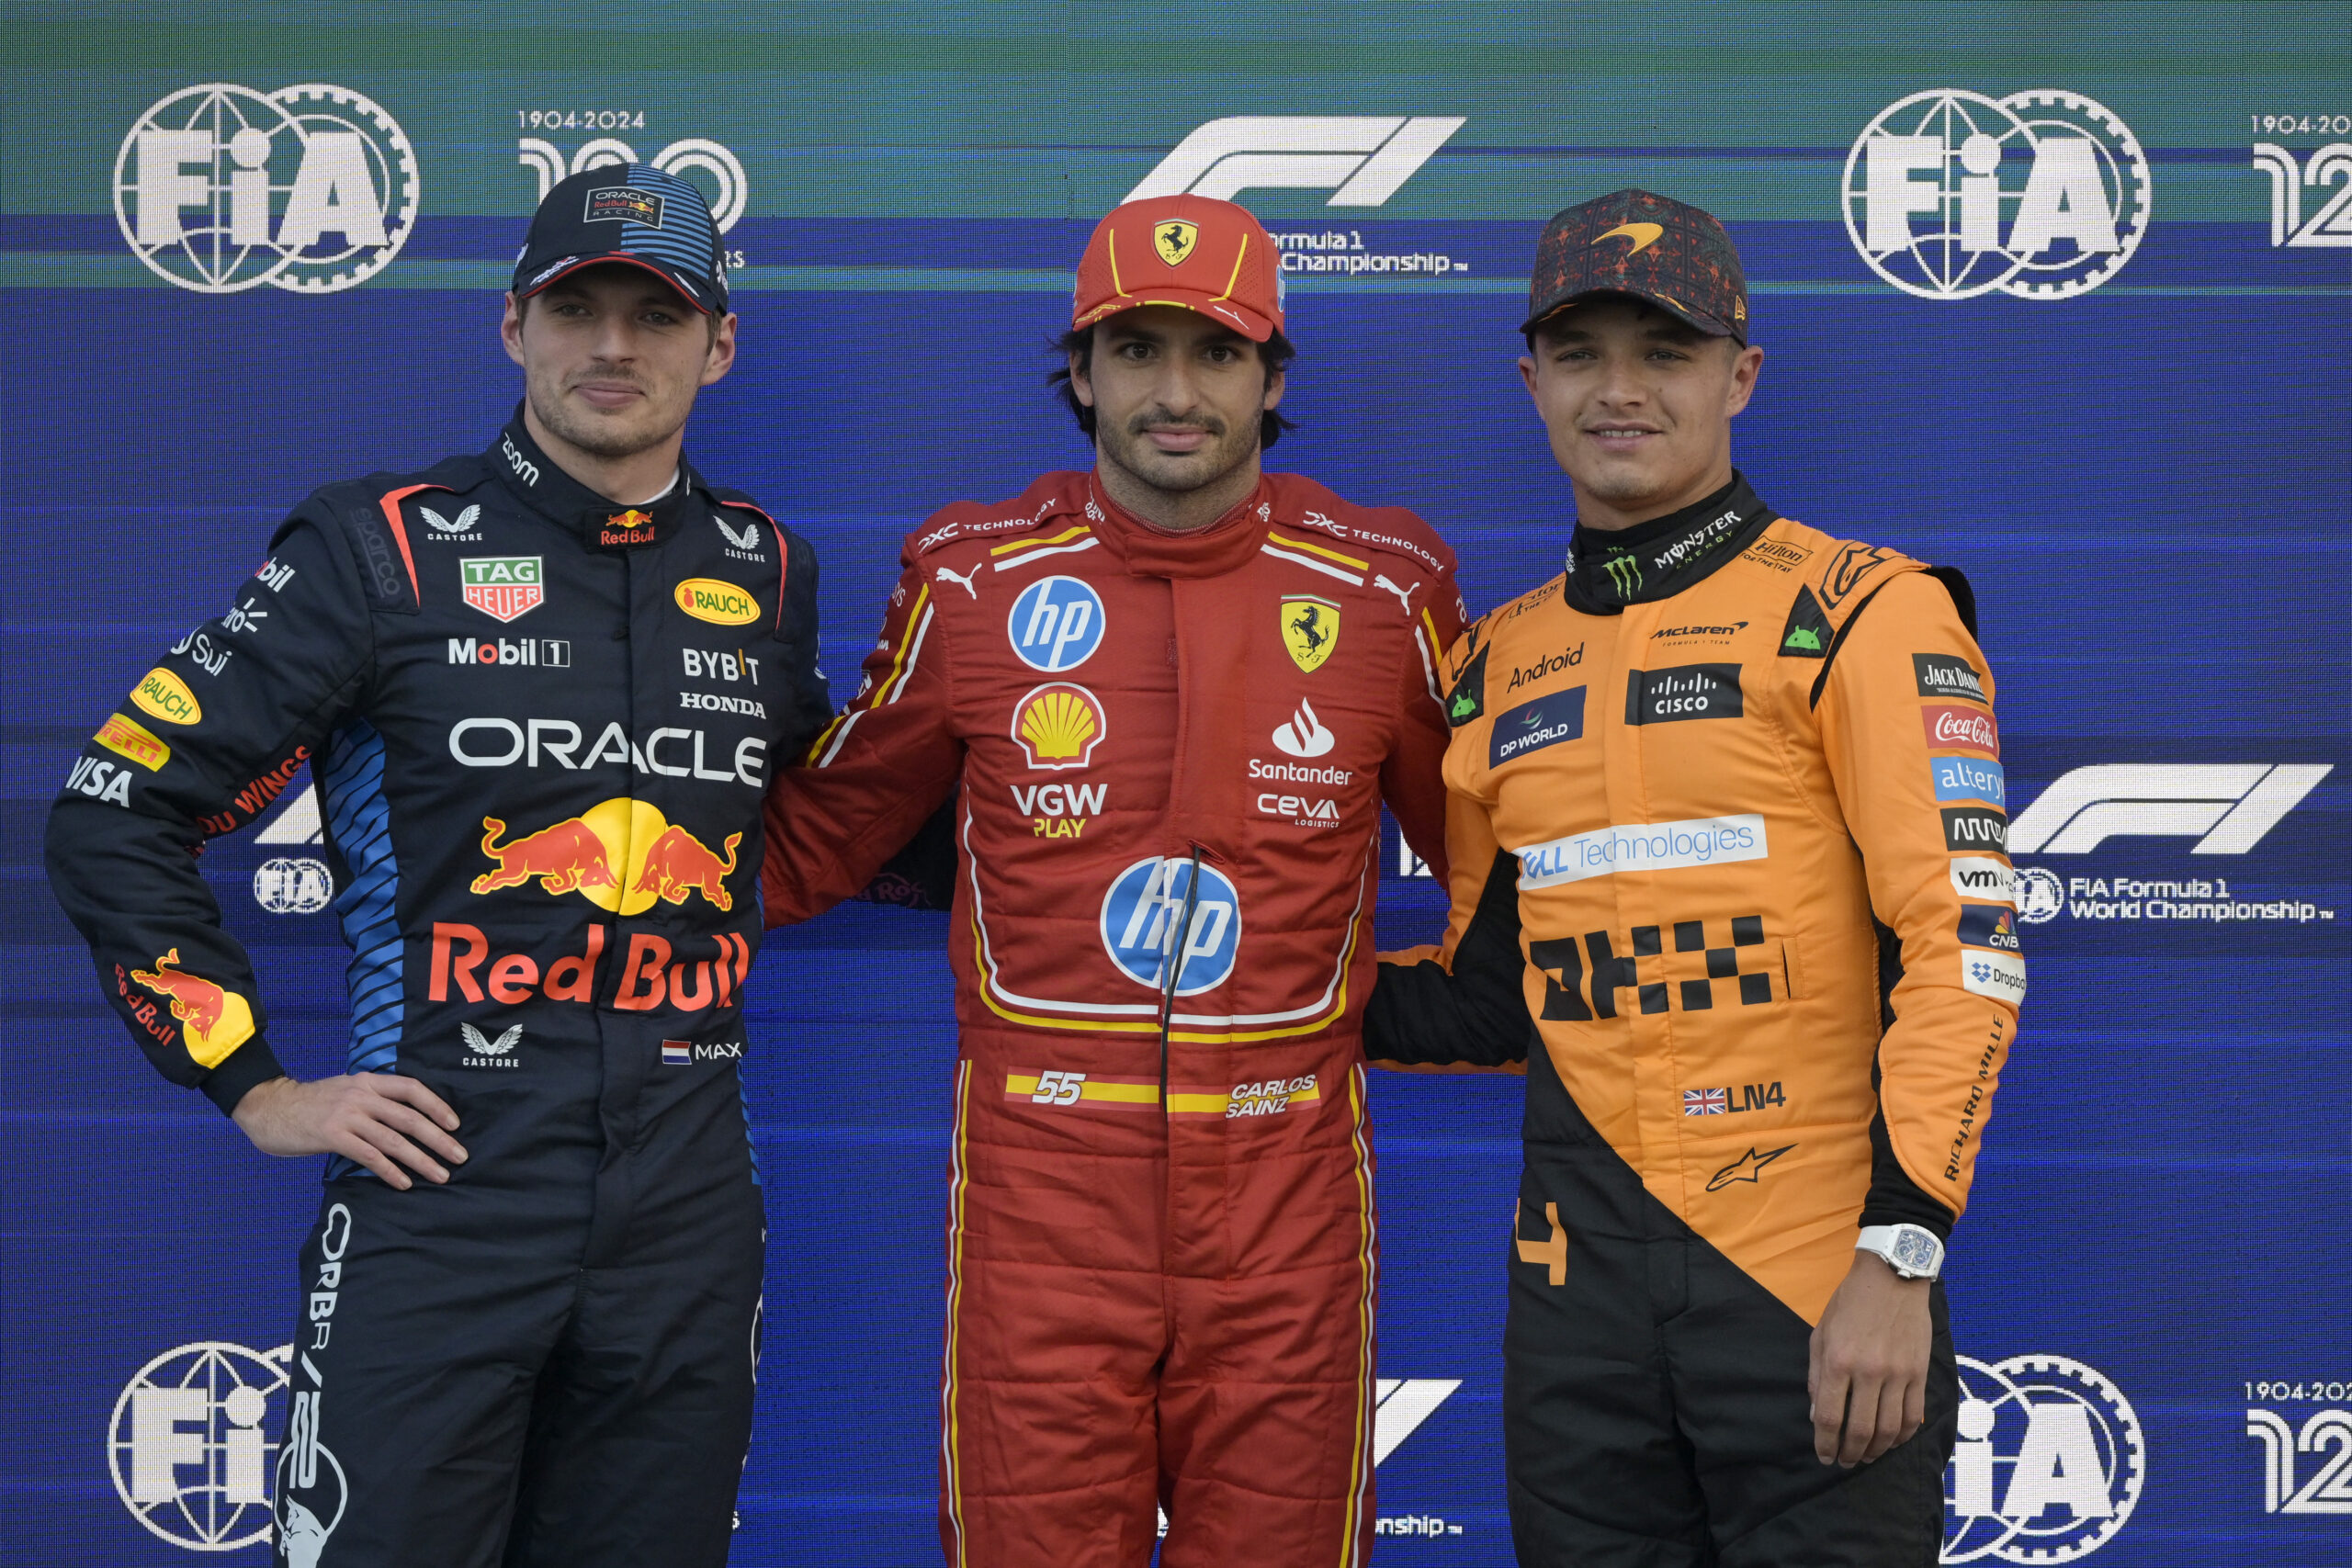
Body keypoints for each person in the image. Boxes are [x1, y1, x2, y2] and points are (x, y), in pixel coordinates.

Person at [47, 164, 827, 1567]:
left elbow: (843, 829)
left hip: (690, 1215)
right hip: (443, 1191)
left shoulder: (766, 570)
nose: (611, 347)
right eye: (576, 307)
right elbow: (115, 808)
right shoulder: (381, 545)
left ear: (719, 345)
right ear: (512, 324)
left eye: (656, 315)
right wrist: (256, 1085)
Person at [759, 194, 1463, 1566]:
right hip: (1042, 1191)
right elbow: (814, 839)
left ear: (1272, 376)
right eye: (1136, 351)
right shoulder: (971, 581)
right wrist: (556, 900)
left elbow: (1505, 883)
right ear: (1079, 374)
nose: (1177, 392)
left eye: (1216, 352)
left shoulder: (1387, 590)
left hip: (1288, 1188)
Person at [1365, 189, 2021, 1564]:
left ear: (1741, 375)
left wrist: (1901, 1260)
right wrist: (1206, 972)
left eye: (1664, 352)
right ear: (1530, 377)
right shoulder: (1492, 666)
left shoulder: (1862, 610)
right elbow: (1488, 1002)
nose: (1621, 392)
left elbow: (1959, 947)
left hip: (1811, 1284)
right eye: (1582, 351)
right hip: (1576, 1307)